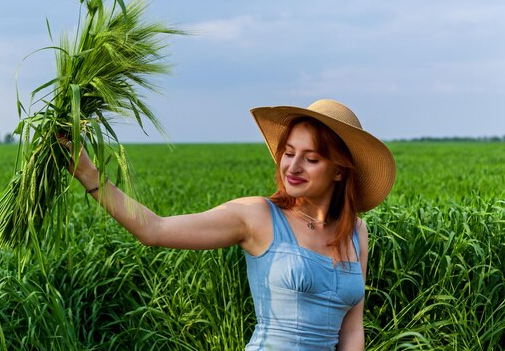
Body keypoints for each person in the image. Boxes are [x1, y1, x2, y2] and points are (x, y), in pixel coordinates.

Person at [59, 99, 396, 351]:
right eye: (289, 153)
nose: (292, 166)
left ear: (339, 171)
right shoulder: (257, 216)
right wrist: (88, 174)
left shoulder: (356, 233)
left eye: (311, 159)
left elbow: (352, 330)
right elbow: (155, 229)